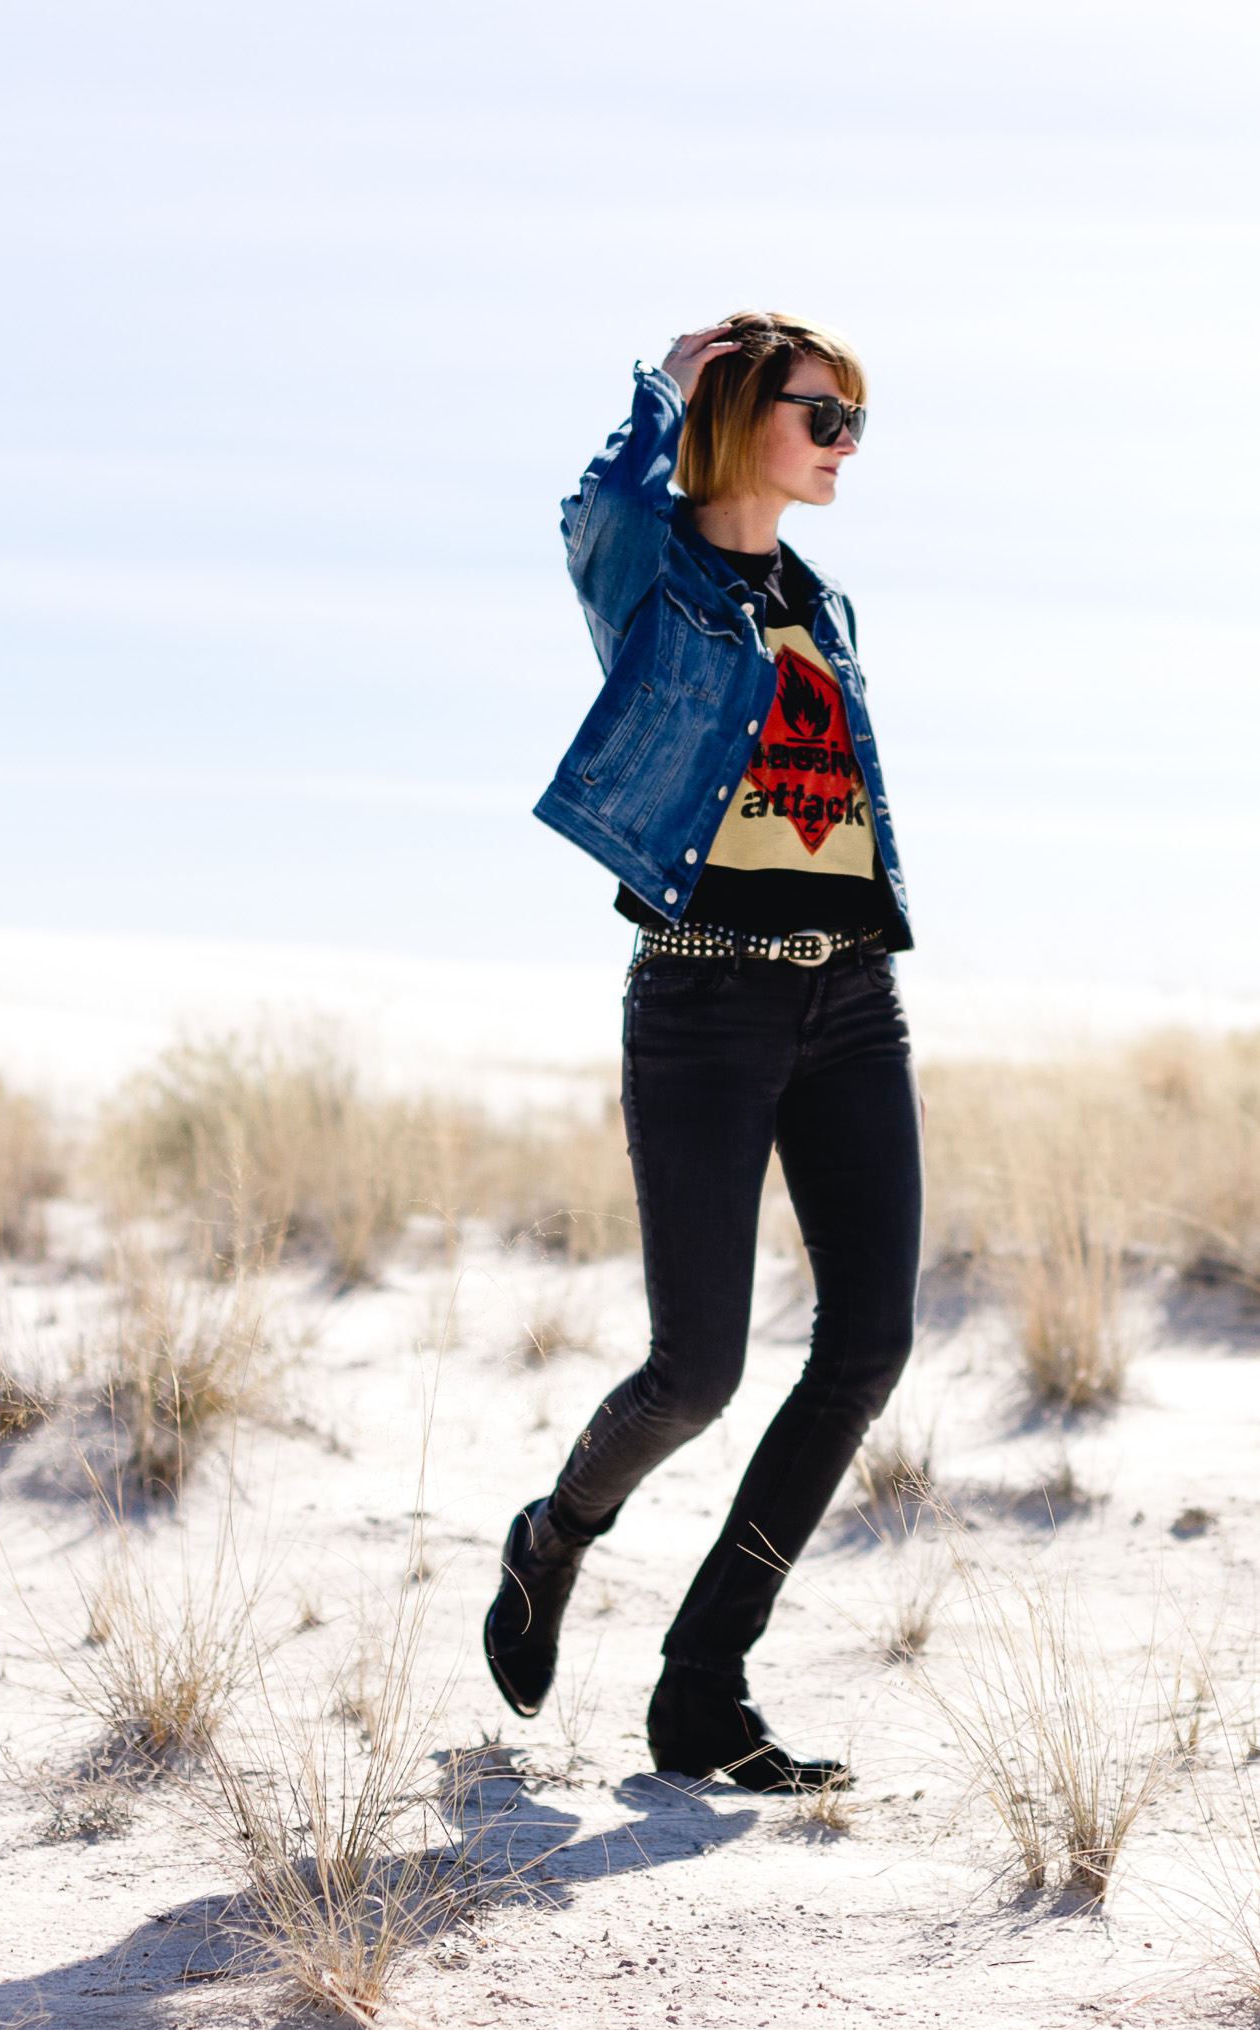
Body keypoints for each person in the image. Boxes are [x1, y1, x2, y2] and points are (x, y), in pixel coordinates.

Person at [484, 311, 924, 1791]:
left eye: (854, 419)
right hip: (701, 1002)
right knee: (695, 1371)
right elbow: (599, 505)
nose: (844, 444)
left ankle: (702, 1687)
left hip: (851, 998)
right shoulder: (654, 570)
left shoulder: (826, 598)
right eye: (825, 416)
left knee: (868, 1341)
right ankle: (553, 1535)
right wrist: (658, 386)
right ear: (744, 417)